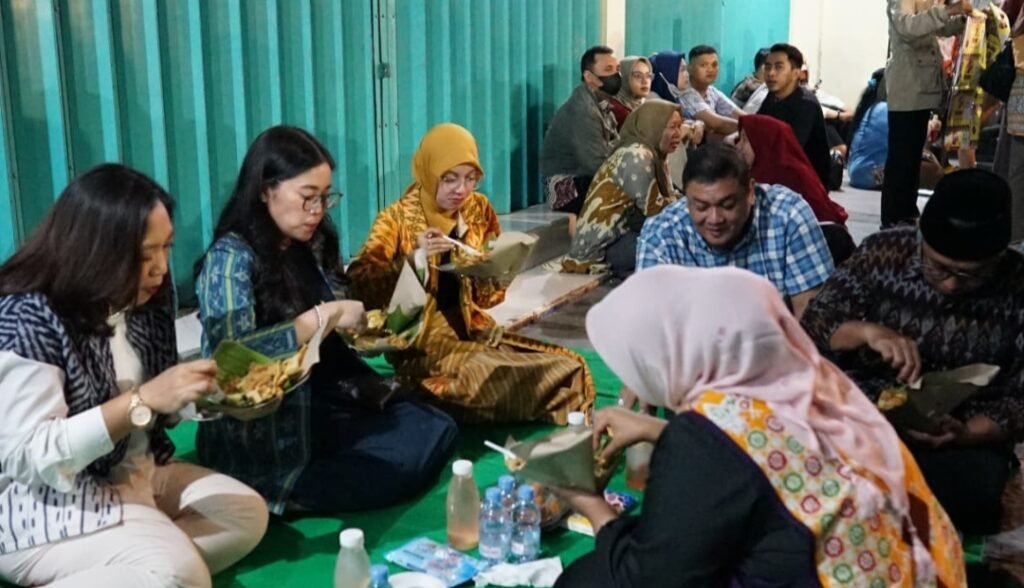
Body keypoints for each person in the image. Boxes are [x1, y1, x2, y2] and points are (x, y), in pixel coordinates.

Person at [553, 266, 966, 588]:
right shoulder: (810, 380)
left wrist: (589, 502)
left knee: (588, 578)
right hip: (917, 569)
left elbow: (653, 579)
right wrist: (653, 429)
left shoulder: (705, 434)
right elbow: (776, 461)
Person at [0, 164, 268, 587]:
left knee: (245, 514)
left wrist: (220, 399)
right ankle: (153, 563)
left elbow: (162, 405)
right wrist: (140, 403)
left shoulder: (147, 301)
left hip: (136, 475)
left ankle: (135, 563)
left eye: (167, 248)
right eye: (145, 255)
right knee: (181, 572)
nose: (161, 268)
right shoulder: (31, 315)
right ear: (96, 251)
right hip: (47, 501)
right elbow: (27, 456)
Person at [194, 126, 457, 515]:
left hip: (321, 396)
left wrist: (415, 265)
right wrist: (322, 317)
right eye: (307, 198)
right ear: (266, 190)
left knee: (439, 426)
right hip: (271, 422)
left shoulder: (309, 242)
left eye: (324, 198)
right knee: (394, 464)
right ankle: (277, 489)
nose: (317, 211)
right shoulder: (231, 259)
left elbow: (353, 312)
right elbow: (229, 361)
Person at [801, 169, 1024, 536]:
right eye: (937, 267)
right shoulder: (885, 251)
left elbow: (1018, 400)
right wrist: (865, 331)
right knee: (812, 472)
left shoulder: (1016, 285)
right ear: (921, 237)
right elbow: (816, 322)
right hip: (863, 414)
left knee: (959, 501)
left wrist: (967, 433)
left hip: (956, 433)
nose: (950, 285)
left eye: (970, 275)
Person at [347, 123, 595, 424]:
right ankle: (419, 391)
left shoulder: (477, 209)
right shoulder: (396, 218)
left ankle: (429, 400)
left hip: (472, 327)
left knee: (567, 367)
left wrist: (496, 271)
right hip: (422, 341)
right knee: (483, 375)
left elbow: (487, 296)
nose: (461, 190)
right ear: (428, 172)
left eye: (470, 179)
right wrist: (414, 259)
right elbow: (360, 285)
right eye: (449, 179)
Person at [637, 144, 833, 319]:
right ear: (686, 200)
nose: (714, 219)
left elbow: (812, 321)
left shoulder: (788, 216)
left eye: (727, 205)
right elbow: (650, 329)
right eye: (701, 207)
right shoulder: (661, 236)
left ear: (750, 193)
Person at [562, 100, 687, 277]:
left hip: (626, 234)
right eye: (672, 127)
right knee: (676, 245)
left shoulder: (657, 155)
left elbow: (671, 200)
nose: (678, 134)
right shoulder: (636, 155)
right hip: (605, 248)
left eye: (680, 126)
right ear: (653, 125)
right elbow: (655, 211)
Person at [882, 0, 968, 227]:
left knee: (912, 156)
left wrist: (963, 20)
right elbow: (907, 27)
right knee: (902, 158)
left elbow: (938, 27)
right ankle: (892, 219)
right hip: (907, 86)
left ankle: (906, 213)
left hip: (922, 85)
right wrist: (947, 10)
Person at [541, 45, 621, 216]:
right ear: (589, 77)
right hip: (565, 189)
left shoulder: (603, 104)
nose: (616, 75)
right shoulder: (583, 110)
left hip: (586, 180)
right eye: (608, 70)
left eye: (617, 69)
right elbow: (596, 164)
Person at [736, 114, 848, 225]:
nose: (738, 146)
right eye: (739, 139)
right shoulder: (758, 170)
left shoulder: (788, 176)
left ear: (763, 141)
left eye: (745, 140)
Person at [848, 69, 945, 191]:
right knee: (934, 171)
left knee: (925, 157)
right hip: (870, 174)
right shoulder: (886, 110)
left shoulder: (872, 108)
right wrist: (930, 126)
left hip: (859, 172)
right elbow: (913, 137)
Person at [758, 44, 834, 191]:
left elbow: (790, 150)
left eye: (779, 67)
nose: (771, 73)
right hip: (779, 171)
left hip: (806, 183)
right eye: (767, 67)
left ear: (796, 73)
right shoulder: (772, 96)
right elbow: (757, 129)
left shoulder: (806, 104)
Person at [678, 45, 744, 140]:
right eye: (703, 65)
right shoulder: (686, 93)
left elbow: (738, 114)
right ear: (690, 69)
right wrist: (751, 128)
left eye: (714, 65)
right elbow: (718, 124)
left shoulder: (712, 90)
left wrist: (757, 124)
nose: (710, 70)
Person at [608, 56, 652, 129]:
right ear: (624, 78)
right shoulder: (616, 110)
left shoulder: (644, 104)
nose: (645, 81)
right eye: (638, 76)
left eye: (648, 76)